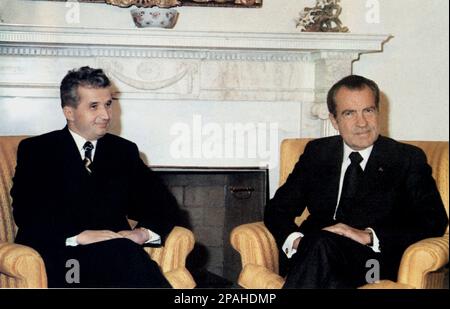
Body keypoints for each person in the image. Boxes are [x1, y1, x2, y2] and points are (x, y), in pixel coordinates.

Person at [264, 75, 448, 288]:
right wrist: (297, 241)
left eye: (368, 110)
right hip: (313, 254)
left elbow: (433, 221)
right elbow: (277, 209)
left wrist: (369, 236)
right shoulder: (318, 153)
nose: (362, 123)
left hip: (372, 264)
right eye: (349, 113)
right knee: (320, 247)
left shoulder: (405, 159)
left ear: (378, 112)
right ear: (334, 121)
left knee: (320, 247)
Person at [11, 66, 181, 288]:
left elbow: (163, 205)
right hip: (62, 260)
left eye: (108, 104)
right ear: (69, 112)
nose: (106, 115)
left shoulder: (123, 151)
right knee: (127, 259)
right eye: (94, 106)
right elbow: (27, 214)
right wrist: (79, 236)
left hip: (117, 255)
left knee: (125, 255)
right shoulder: (38, 150)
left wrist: (141, 233)